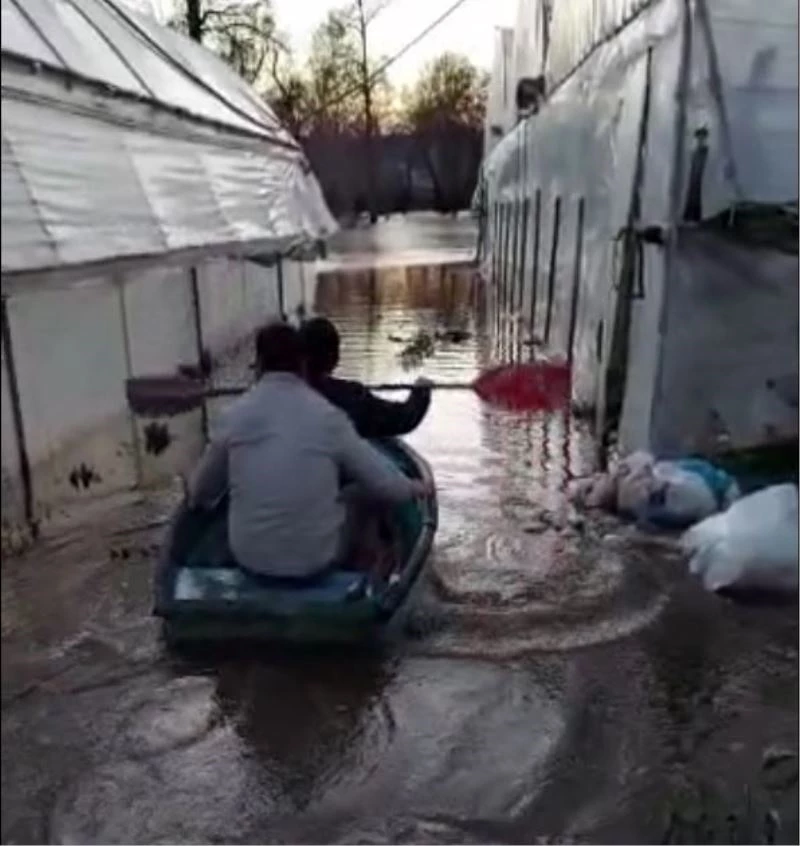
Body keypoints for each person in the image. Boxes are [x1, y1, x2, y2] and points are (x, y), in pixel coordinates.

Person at [187, 322, 432, 581]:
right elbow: (384, 484)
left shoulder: (234, 416)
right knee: (361, 493)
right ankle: (369, 567)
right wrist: (415, 488)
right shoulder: (328, 417)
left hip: (249, 560)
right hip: (315, 562)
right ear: (301, 364)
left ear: (258, 366)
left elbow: (201, 492)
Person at [300, 317, 432, 439]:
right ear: (335, 358)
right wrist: (421, 393)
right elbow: (403, 419)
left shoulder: (288, 394)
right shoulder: (351, 398)